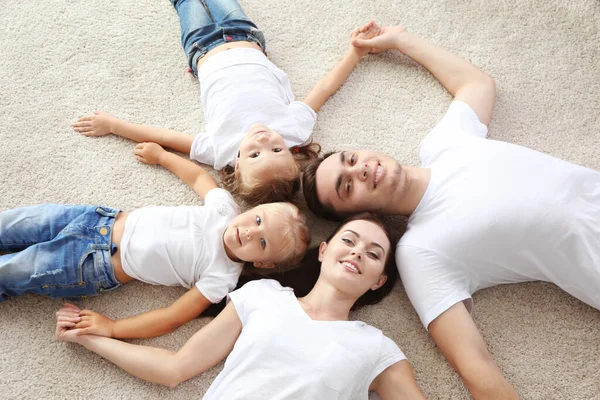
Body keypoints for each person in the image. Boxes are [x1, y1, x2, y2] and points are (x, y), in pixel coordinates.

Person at [302, 22, 600, 399]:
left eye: (350, 158)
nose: (359, 169)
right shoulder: (421, 252)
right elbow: (474, 364)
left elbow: (478, 85)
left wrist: (399, 40)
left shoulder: (444, 143)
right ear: (357, 215)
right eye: (348, 186)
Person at [55, 214, 426, 399]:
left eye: (373, 254)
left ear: (379, 280)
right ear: (325, 250)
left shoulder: (377, 349)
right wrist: (92, 337)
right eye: (349, 239)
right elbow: (175, 369)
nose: (358, 251)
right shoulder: (262, 294)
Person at [72, 0, 383, 206]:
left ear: (235, 167)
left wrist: (113, 125)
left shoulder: (219, 150)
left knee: (187, 2)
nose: (264, 141)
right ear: (293, 155)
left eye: (254, 154)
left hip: (202, 48)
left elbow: (165, 136)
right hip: (245, 36)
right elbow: (325, 88)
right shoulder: (296, 129)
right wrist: (354, 54)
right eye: (277, 150)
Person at [1, 143, 310, 339]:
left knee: (16, 270)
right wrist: (163, 156)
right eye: (258, 219)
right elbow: (199, 178)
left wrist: (112, 328)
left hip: (94, 265)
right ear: (254, 209)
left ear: (263, 263)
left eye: (263, 242)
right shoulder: (224, 209)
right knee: (18, 223)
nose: (250, 231)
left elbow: (171, 318)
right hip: (99, 218)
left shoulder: (221, 277)